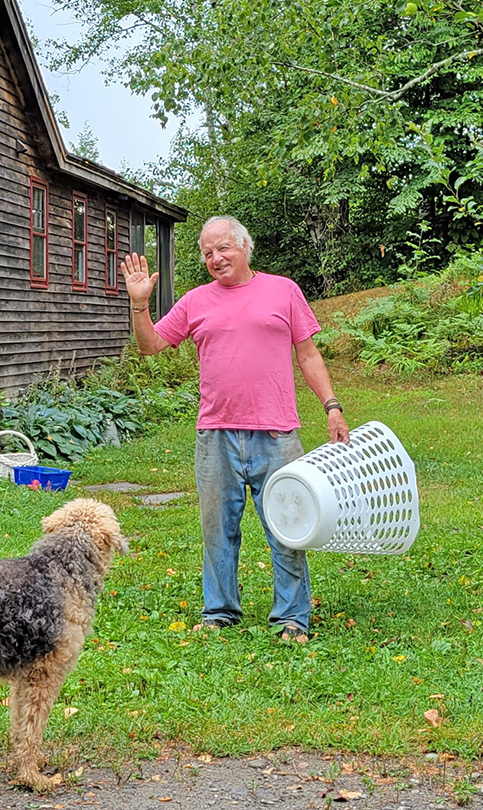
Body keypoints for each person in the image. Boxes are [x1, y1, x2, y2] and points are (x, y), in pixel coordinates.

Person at [121, 216, 349, 643]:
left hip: (277, 433)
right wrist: (139, 305)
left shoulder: (283, 290)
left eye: (222, 248)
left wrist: (332, 407)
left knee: (288, 522)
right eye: (207, 252)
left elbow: (309, 355)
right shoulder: (195, 301)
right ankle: (220, 611)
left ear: (244, 246)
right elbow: (150, 346)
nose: (215, 258)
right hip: (216, 434)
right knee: (217, 528)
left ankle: (292, 617)